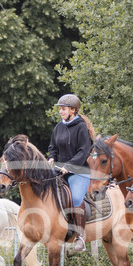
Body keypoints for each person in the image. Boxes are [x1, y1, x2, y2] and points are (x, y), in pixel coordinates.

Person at [47, 93, 95, 252]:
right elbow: (52, 146)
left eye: (64, 109)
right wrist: (52, 158)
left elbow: (84, 151)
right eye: (60, 109)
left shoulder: (81, 127)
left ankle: (81, 236)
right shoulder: (58, 126)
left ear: (73, 110)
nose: (61, 111)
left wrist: (69, 166)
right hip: (59, 170)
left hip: (78, 171)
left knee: (75, 198)